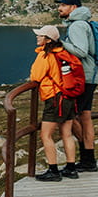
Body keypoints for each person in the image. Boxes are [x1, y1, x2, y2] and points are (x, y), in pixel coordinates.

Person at [55, 0, 98, 172]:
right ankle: (89, 160)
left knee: (69, 116)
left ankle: (84, 158)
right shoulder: (83, 23)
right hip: (90, 76)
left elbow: (81, 51)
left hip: (83, 77)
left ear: (73, 7)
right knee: (85, 117)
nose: (60, 8)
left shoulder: (77, 26)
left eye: (63, 5)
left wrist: (60, 44)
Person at [29, 25, 79, 182]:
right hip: (68, 97)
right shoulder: (63, 52)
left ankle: (53, 171)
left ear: (48, 40)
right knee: (67, 133)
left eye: (40, 35)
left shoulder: (45, 55)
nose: (37, 37)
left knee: (46, 135)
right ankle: (71, 169)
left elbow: (35, 76)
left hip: (55, 99)